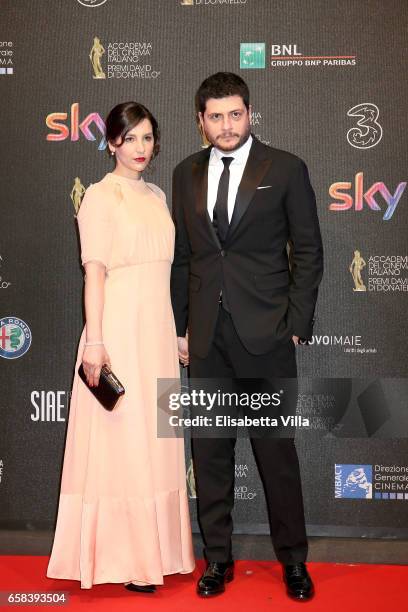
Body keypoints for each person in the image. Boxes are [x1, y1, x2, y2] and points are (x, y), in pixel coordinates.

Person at [170, 73, 323, 600]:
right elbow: (186, 259)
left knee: (276, 456)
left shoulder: (284, 168)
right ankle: (217, 560)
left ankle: (294, 562)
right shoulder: (185, 173)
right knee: (209, 454)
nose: (226, 125)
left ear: (249, 114)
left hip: (267, 336)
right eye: (215, 116)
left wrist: (297, 325)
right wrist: (181, 328)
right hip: (208, 339)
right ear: (201, 121)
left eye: (235, 114)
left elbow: (308, 251)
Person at [47, 102, 195, 592]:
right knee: (124, 443)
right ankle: (127, 559)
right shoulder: (99, 197)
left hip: (155, 330)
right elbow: (94, 274)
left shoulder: (155, 193)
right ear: (111, 143)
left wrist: (176, 331)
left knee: (156, 441)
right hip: (116, 332)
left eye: (148, 138)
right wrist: (96, 340)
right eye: (129, 138)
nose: (140, 148)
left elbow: (165, 272)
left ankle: (156, 553)